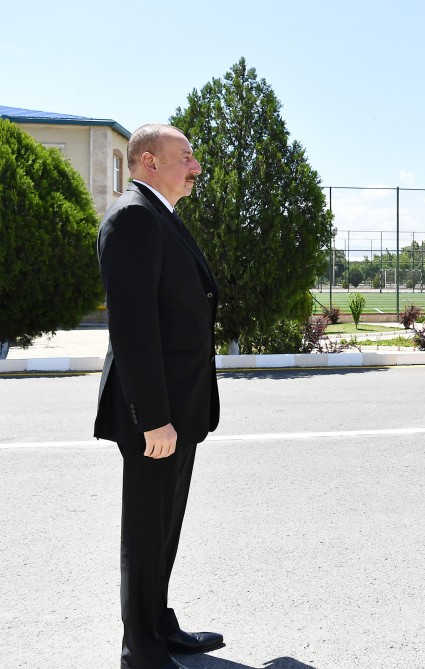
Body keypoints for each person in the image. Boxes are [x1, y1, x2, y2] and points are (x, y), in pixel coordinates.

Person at [94, 124, 223, 668]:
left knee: (164, 527)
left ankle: (159, 624)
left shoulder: (158, 216)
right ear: (148, 161)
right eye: (186, 157)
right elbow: (134, 328)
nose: (195, 167)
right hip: (156, 416)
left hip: (180, 408)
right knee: (146, 531)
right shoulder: (132, 217)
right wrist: (152, 419)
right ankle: (140, 648)